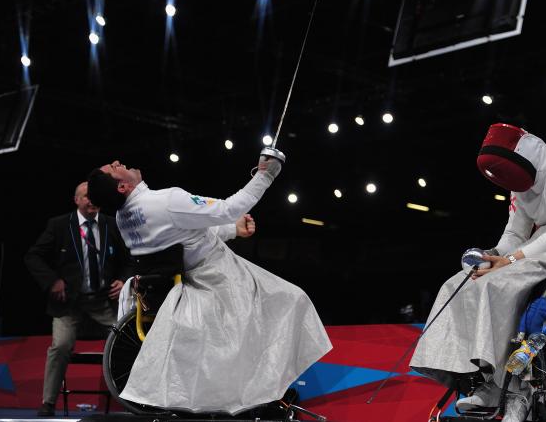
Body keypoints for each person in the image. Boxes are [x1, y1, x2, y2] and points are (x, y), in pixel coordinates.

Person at [86, 155, 332, 415]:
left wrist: (232, 230)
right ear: (122, 187)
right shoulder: (166, 201)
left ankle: (266, 391)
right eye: (113, 168)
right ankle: (266, 392)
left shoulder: (126, 218)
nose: (116, 162)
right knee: (290, 300)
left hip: (186, 280)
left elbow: (188, 236)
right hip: (218, 276)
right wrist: (266, 175)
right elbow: (229, 209)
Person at [409, 123, 546, 422]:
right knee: (460, 283)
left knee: (499, 285)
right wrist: (495, 258)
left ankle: (515, 390)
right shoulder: (520, 186)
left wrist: (512, 260)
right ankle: (480, 380)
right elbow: (515, 232)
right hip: (538, 247)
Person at [25, 182, 130, 417]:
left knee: (127, 343)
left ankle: (131, 399)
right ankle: (48, 402)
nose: (91, 201)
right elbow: (33, 256)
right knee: (60, 346)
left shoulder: (112, 224)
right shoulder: (60, 225)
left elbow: (130, 258)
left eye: (94, 196)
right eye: (86, 197)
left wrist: (123, 280)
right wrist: (52, 281)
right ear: (76, 200)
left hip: (104, 303)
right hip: (69, 304)